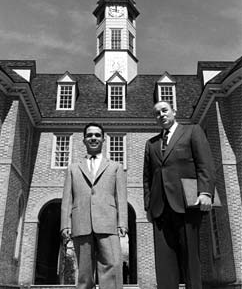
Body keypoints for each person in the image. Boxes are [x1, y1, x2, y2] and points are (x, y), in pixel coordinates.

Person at [143, 101, 215, 289]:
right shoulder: (151, 144)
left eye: (165, 110)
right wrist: (148, 206)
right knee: (164, 265)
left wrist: (205, 192)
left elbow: (204, 164)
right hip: (160, 210)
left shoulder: (192, 131)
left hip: (187, 205)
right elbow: (147, 178)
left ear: (174, 111)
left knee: (190, 259)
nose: (161, 115)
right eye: (157, 113)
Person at [61, 122, 128, 289]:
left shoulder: (115, 167)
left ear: (103, 139)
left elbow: (121, 197)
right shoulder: (73, 168)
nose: (93, 138)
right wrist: (65, 224)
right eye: (89, 135)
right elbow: (67, 199)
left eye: (97, 135)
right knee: (84, 274)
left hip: (108, 223)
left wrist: (122, 223)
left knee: (112, 267)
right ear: (84, 140)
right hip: (81, 223)